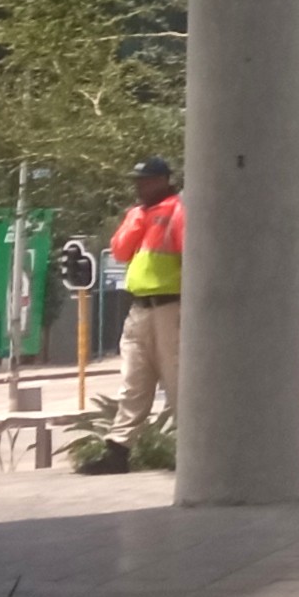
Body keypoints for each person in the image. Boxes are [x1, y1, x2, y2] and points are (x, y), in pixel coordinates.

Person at [110, 157, 184, 442]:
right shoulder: (138, 214)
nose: (141, 187)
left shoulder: (178, 210)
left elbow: (193, 256)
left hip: (170, 307)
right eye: (138, 181)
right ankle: (119, 448)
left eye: (147, 181)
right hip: (139, 307)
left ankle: (191, 448)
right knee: (133, 380)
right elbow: (120, 251)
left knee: (177, 380)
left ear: (164, 180)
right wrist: (139, 219)